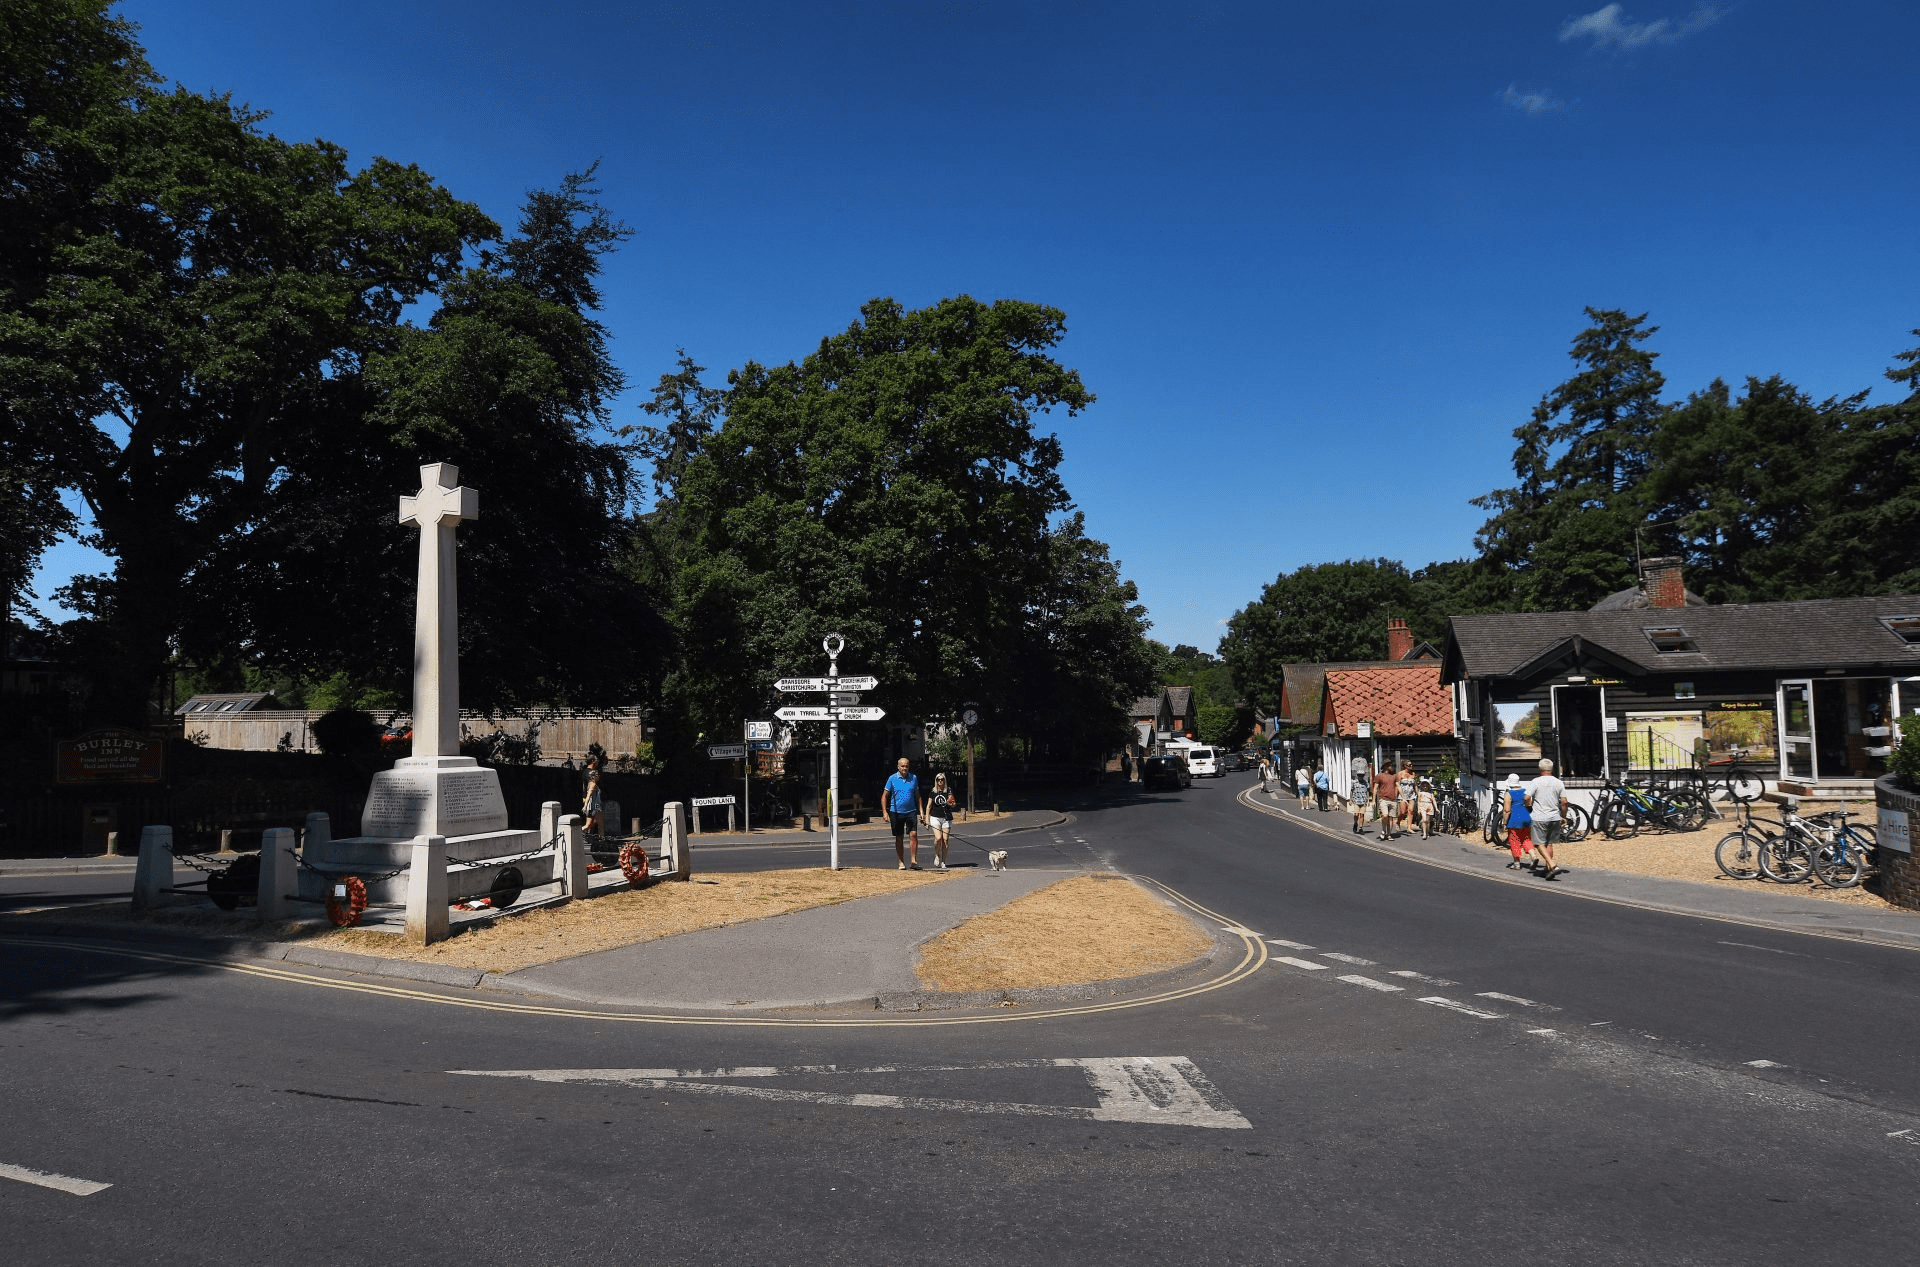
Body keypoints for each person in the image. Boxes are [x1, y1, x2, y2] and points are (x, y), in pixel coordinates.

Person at [1527, 757, 1570, 880]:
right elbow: (1565, 802)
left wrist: (1528, 806)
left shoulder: (1535, 781)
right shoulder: (1558, 782)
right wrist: (1564, 816)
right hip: (1554, 817)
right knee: (1549, 843)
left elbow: (1526, 797)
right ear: (1551, 769)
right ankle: (1548, 869)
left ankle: (1551, 864)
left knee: (1538, 842)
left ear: (1540, 769)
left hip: (1539, 816)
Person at [883, 757, 923, 870]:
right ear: (898, 767)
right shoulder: (892, 778)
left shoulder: (913, 778)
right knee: (899, 837)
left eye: (906, 766)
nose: (904, 768)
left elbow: (918, 795)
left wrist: (922, 812)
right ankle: (901, 861)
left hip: (911, 811)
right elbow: (884, 796)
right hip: (896, 812)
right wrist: (885, 812)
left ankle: (914, 861)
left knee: (913, 835)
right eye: (902, 766)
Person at [1501, 772, 1533, 868]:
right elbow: (1529, 805)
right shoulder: (1525, 792)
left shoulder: (1508, 794)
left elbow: (1507, 810)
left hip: (1514, 820)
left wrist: (1504, 822)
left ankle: (1516, 863)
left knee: (1514, 841)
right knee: (1526, 839)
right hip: (1526, 818)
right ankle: (1533, 856)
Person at [925, 772, 956, 869]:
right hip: (935, 817)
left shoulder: (949, 791)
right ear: (936, 781)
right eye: (938, 780)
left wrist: (950, 803)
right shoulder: (933, 791)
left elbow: (953, 804)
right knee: (938, 838)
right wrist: (927, 820)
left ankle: (943, 861)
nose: (940, 781)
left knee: (945, 840)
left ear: (944, 780)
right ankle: (937, 855)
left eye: (942, 779)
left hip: (946, 817)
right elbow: (928, 806)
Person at [1370, 760, 1399, 841]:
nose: (1392, 766)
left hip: (1393, 800)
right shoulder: (1380, 776)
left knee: (1391, 818)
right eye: (1390, 765)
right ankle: (1383, 830)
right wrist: (1373, 801)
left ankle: (1389, 834)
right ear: (1386, 766)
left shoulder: (1394, 776)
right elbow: (1375, 789)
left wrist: (1403, 797)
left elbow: (1398, 786)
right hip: (1383, 799)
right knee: (1385, 815)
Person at [581, 757, 604, 836]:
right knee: (588, 825)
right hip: (593, 802)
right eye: (596, 760)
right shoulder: (593, 774)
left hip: (591, 800)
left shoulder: (585, 772)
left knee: (599, 822)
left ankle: (601, 840)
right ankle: (574, 833)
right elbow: (591, 789)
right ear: (593, 761)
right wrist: (586, 803)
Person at [1395, 761, 1417, 839]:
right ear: (1405, 766)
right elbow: (1397, 785)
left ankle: (1409, 828)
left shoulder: (1413, 774)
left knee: (1411, 811)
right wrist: (1399, 795)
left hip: (1411, 795)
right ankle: (1398, 822)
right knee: (1403, 811)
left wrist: (1418, 794)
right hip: (1403, 795)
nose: (1411, 766)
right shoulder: (1400, 774)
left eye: (1411, 764)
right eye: (1409, 765)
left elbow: (1415, 785)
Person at [1348, 763, 1372, 834]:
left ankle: (1361, 828)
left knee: (1362, 814)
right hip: (1356, 800)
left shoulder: (1365, 783)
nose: (1360, 777)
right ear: (1357, 775)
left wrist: (1367, 800)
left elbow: (1367, 791)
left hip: (1363, 801)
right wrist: (1350, 799)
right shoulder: (1354, 782)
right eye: (1359, 775)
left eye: (1362, 775)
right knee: (1356, 814)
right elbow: (1351, 791)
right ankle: (1355, 823)